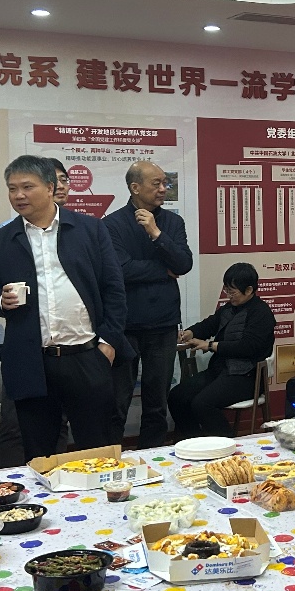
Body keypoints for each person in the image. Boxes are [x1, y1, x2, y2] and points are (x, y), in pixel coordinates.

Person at [0, 155, 131, 461]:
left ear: (49, 187)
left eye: (27, 187)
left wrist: (108, 342)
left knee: (97, 449)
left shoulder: (89, 229)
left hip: (86, 356)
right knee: (40, 454)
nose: (19, 195)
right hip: (32, 360)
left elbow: (114, 289)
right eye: (12, 189)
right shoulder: (0, 241)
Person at [104, 161, 193, 447]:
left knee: (157, 403)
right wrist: (163, 270)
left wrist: (156, 233)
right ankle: (110, 460)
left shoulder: (172, 223)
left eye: (165, 183)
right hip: (125, 326)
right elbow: (120, 269)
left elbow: (184, 264)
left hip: (163, 324)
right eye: (156, 183)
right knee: (116, 403)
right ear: (135, 187)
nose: (163, 188)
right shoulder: (112, 224)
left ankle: (153, 457)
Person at [169, 263, 275, 438]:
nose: (229, 295)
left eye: (232, 292)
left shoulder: (261, 313)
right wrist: (190, 333)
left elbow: (247, 347)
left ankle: (228, 444)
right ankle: (195, 441)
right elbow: (210, 324)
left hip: (246, 376)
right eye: (227, 290)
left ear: (249, 290)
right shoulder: (229, 308)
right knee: (177, 397)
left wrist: (211, 346)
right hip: (220, 371)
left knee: (202, 404)